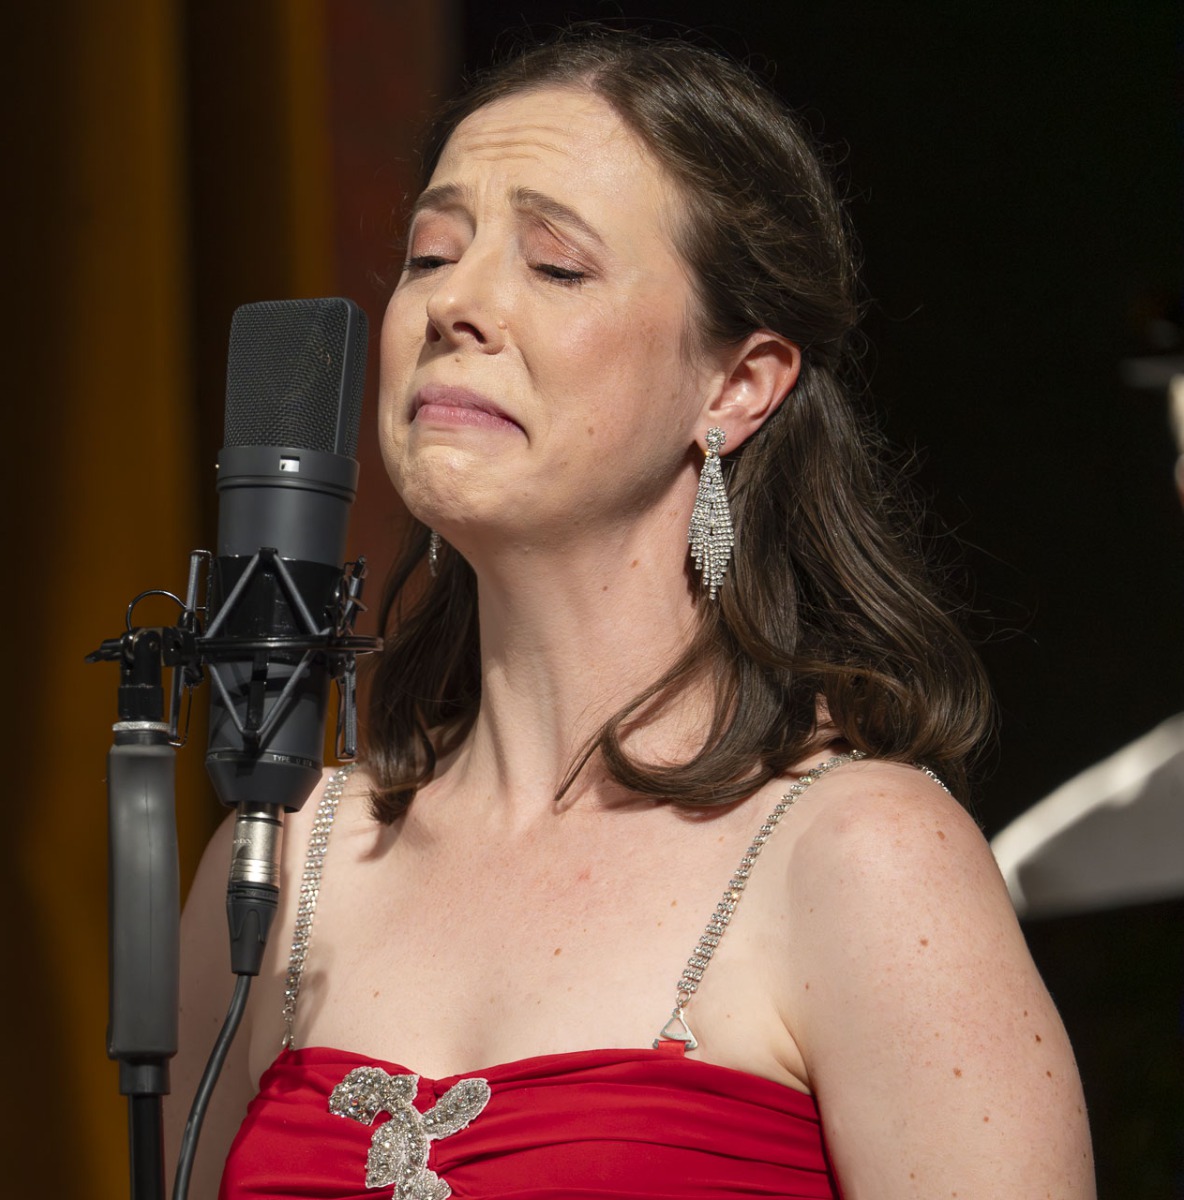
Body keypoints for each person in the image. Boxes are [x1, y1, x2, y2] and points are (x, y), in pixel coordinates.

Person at [170, 27, 1093, 1199]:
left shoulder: (862, 859)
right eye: (430, 254)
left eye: (555, 266)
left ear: (736, 386)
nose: (457, 304)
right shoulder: (285, 860)